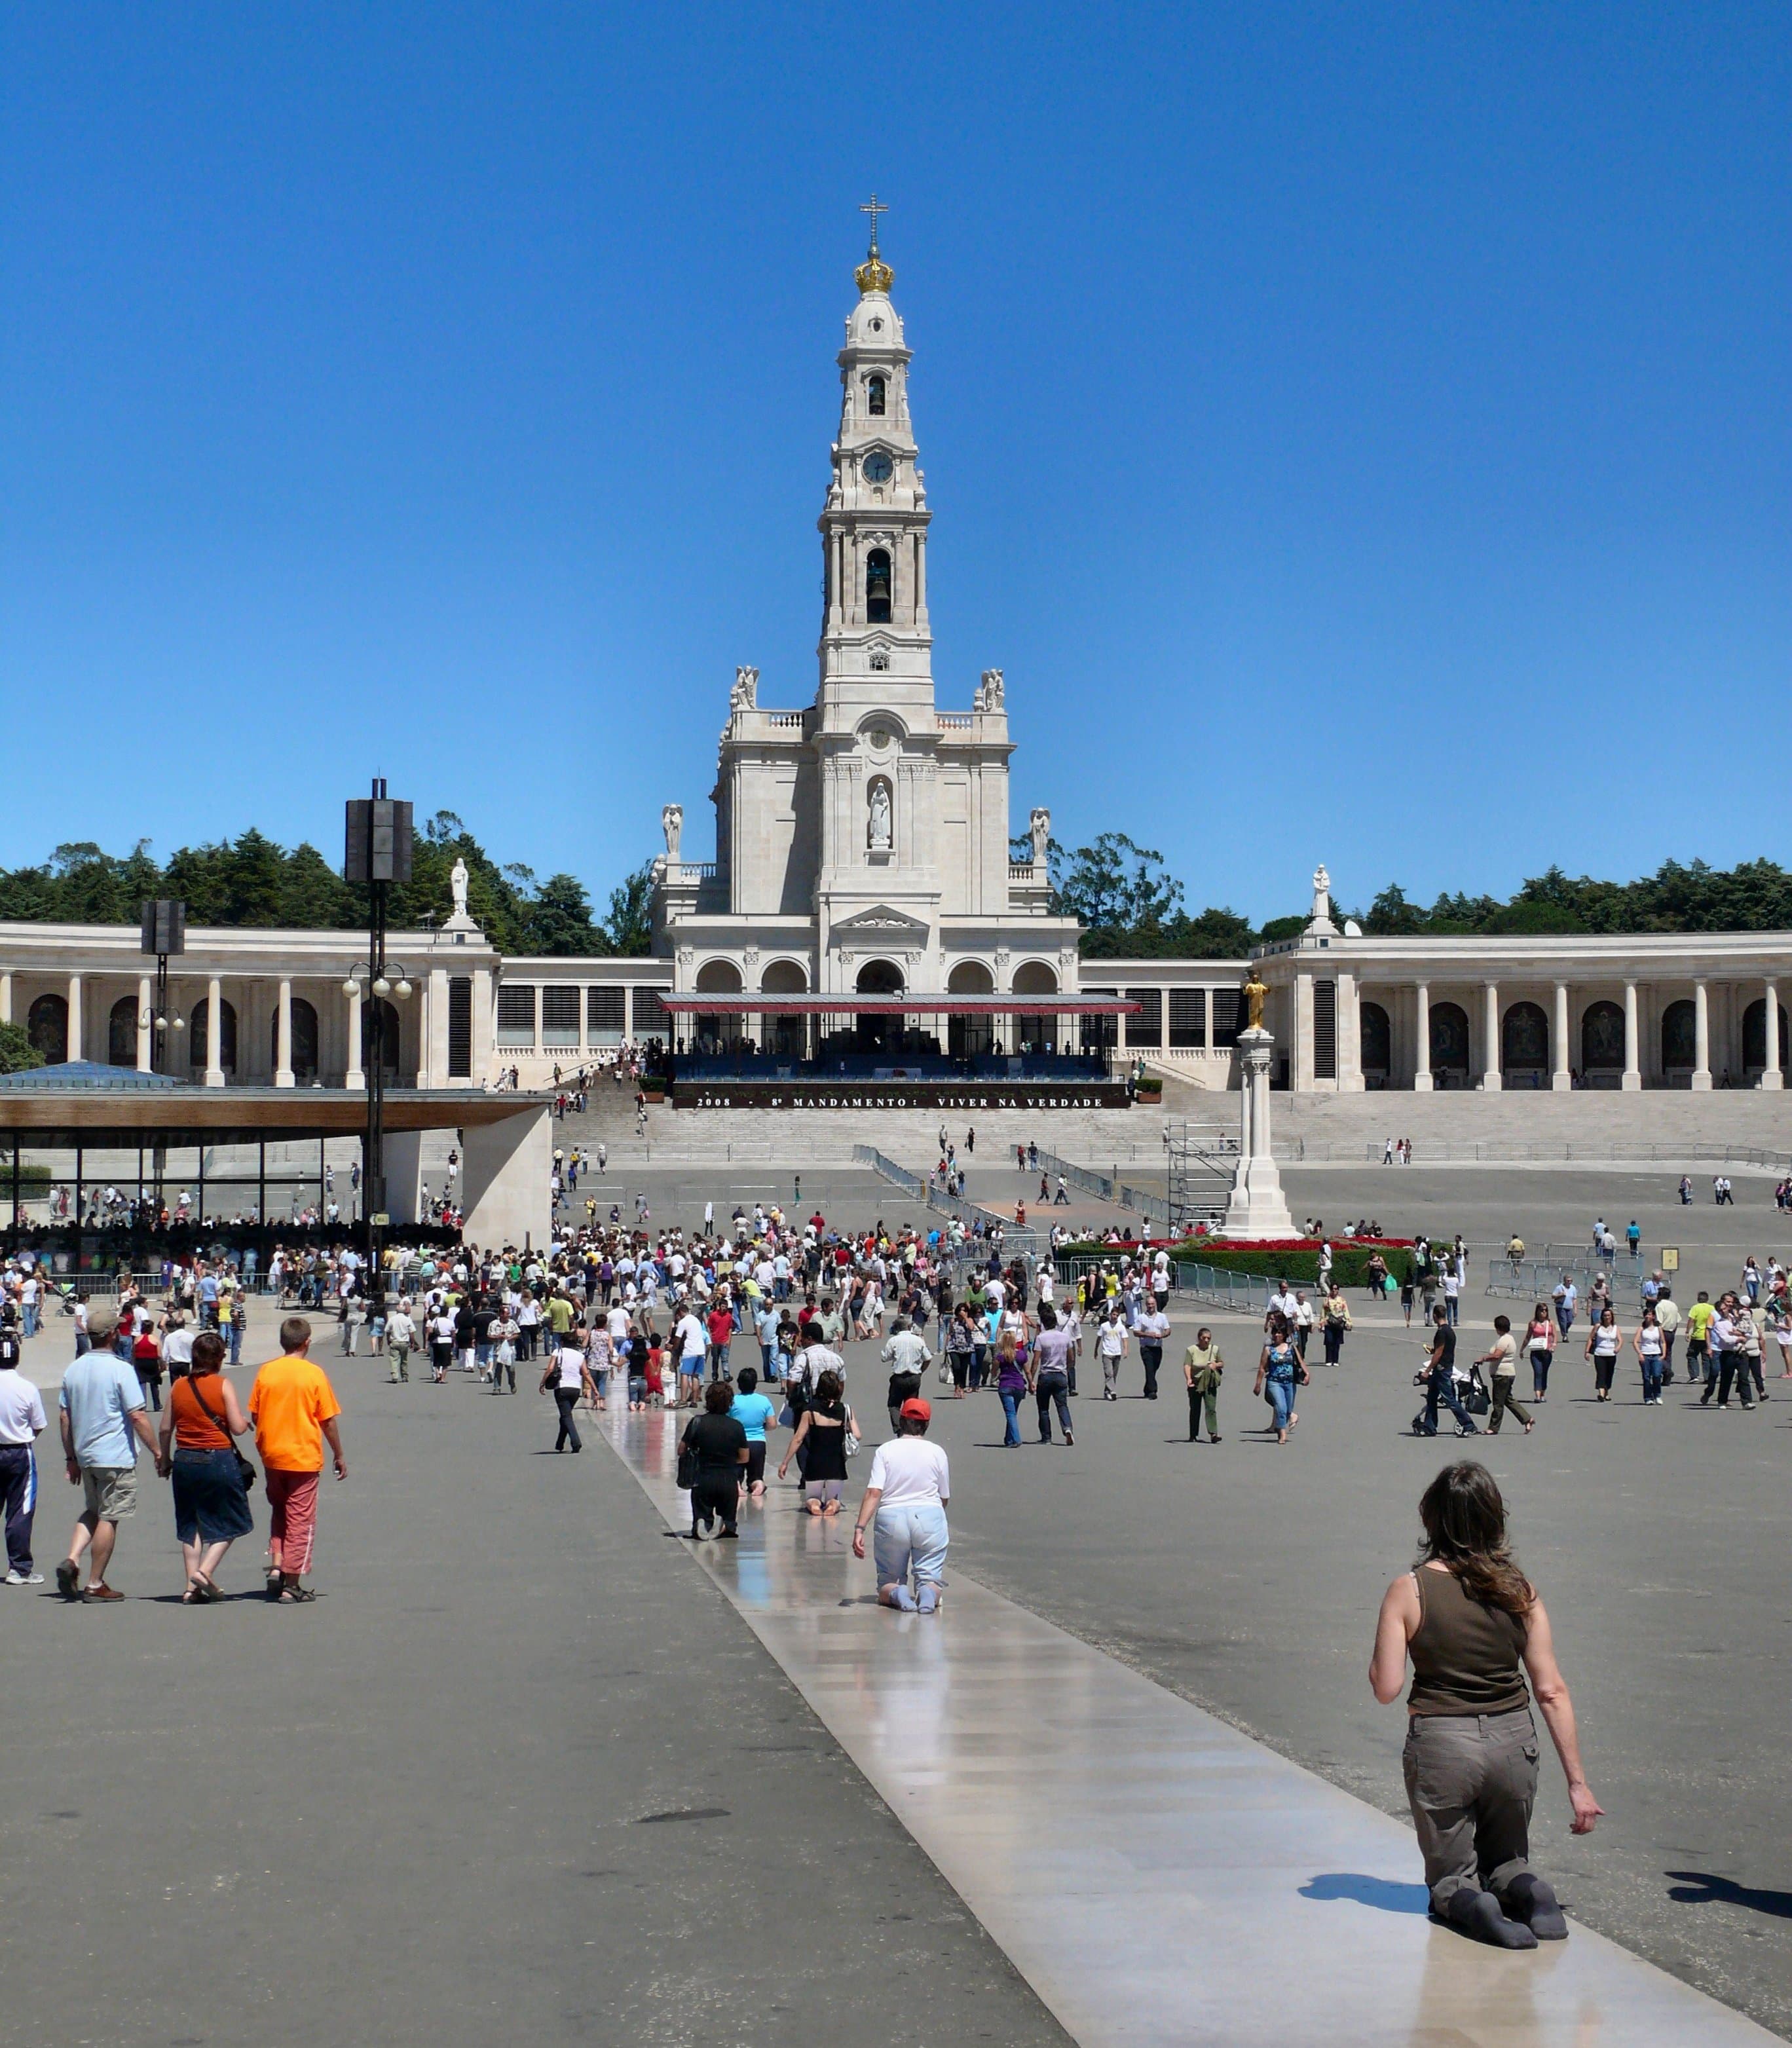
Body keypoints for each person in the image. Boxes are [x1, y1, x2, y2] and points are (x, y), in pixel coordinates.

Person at [1370, 1462, 1601, 1948]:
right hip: (1514, 1743)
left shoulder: (1410, 1589)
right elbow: (1551, 1689)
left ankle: (1477, 1907)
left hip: (1444, 1744)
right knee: (1508, 1859)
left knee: (1452, 1878)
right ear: (1495, 1519)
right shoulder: (1521, 1591)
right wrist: (1578, 1784)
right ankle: (1533, 1893)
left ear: (1431, 1518)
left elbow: (1386, 1687)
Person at [56, 1303, 160, 1602]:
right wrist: (156, 1450)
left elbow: (65, 1416)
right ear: (113, 1335)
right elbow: (137, 1416)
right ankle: (94, 1582)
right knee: (110, 1516)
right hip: (114, 1455)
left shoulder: (73, 1369)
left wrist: (71, 1457)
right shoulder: (120, 1369)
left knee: (93, 1510)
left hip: (86, 1453)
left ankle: (73, 1558)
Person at [248, 1316, 347, 1603]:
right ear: (307, 1342)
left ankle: (277, 1565)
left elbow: (255, 1413)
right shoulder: (314, 1374)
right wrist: (339, 1454)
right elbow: (327, 1421)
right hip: (302, 1457)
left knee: (280, 1512)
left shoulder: (266, 1372)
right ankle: (293, 1582)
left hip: (272, 1455)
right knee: (301, 1519)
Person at [155, 1330, 253, 1601]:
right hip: (217, 1457)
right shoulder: (222, 1384)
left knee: (191, 1525)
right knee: (234, 1520)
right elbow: (236, 1427)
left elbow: (165, 1429)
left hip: (185, 1458)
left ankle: (191, 1587)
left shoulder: (178, 1386)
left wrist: (165, 1459)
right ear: (219, 1358)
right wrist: (245, 1422)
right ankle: (205, 1571)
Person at [853, 1396, 950, 1612]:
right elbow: (944, 1497)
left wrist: (860, 1528)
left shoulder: (885, 1450)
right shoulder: (937, 1452)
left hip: (892, 1516)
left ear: (902, 1420)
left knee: (888, 1580)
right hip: (928, 1514)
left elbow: (874, 1492)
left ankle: (897, 1593)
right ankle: (927, 1593)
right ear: (926, 1424)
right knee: (930, 1577)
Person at [0, 1318, 48, 1584]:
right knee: (20, 1511)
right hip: (19, 1451)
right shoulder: (27, 1388)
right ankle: (19, 1568)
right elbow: (38, 1425)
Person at [779, 1368, 856, 1514]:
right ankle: (832, 1506)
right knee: (834, 1498)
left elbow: (798, 1439)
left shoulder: (810, 1410)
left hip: (814, 1463)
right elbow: (857, 1434)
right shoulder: (845, 1409)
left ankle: (814, 1506)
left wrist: (785, 1463)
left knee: (812, 1497)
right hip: (836, 1464)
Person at [682, 1381, 748, 1540]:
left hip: (702, 1478)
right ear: (730, 1403)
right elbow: (745, 1457)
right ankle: (724, 1525)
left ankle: (702, 1523)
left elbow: (681, 1450)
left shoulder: (697, 1422)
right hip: (728, 1479)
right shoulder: (736, 1426)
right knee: (730, 1524)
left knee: (702, 1512)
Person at [1415, 1305, 1477, 1438]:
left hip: (1442, 1370)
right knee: (1432, 1398)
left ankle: (1468, 1425)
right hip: (1444, 1367)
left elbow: (1439, 1354)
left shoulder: (1442, 1332)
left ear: (1435, 1316)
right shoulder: (1450, 1331)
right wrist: (1432, 1350)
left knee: (1449, 1398)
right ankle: (1429, 1427)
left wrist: (1427, 1370)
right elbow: (1444, 1350)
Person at [1254, 1314, 1307, 1444]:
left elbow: (1300, 1361)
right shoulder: (1269, 1349)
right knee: (1281, 1407)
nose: (1277, 1335)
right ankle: (1282, 1434)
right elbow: (1262, 1368)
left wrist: (1307, 1374)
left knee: (1288, 1409)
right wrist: (1258, 1385)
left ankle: (1279, 1426)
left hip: (1289, 1382)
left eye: (1279, 1333)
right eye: (1275, 1333)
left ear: (1284, 1335)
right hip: (1274, 1382)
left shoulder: (1290, 1348)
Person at [1476, 1316, 1533, 1436]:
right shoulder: (1509, 1338)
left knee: (1498, 1402)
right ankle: (1527, 1419)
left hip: (1502, 1374)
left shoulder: (1504, 1340)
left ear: (1498, 1328)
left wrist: (1483, 1358)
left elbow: (1497, 1355)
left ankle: (1494, 1427)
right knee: (1508, 1399)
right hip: (1507, 1373)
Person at [540, 1328, 595, 1450]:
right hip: (575, 1389)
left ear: (562, 1343)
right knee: (566, 1415)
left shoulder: (557, 1352)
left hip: (562, 1387)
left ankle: (576, 1442)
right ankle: (560, 1443)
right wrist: (595, 1389)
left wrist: (542, 1383)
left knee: (566, 1416)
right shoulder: (580, 1356)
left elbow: (550, 1369)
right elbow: (586, 1373)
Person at [729, 1366, 778, 1501]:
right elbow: (772, 1424)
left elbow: (727, 1421)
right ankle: (758, 1484)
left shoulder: (733, 1401)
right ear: (755, 1384)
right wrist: (761, 1428)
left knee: (736, 1474)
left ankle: (737, 1486)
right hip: (758, 1442)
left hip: (738, 1443)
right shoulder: (764, 1401)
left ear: (739, 1383)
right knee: (756, 1476)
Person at [1029, 1303, 1074, 1446]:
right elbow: (1071, 1358)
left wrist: (1031, 1379)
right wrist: (1068, 1368)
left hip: (1046, 1374)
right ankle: (1067, 1428)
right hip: (1060, 1374)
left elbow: (1036, 1360)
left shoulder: (1042, 1338)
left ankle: (1046, 1437)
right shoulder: (1064, 1337)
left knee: (1043, 1408)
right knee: (1062, 1405)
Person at [880, 1316, 933, 1435]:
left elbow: (885, 1358)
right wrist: (921, 1371)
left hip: (899, 1376)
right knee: (912, 1404)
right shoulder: (918, 1340)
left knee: (894, 1405)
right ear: (909, 1327)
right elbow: (928, 1358)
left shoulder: (894, 1340)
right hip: (915, 1376)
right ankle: (912, 1429)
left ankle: (899, 1429)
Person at [1183, 1328, 1222, 1443]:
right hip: (1196, 1382)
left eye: (1208, 1338)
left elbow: (1221, 1363)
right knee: (1195, 1409)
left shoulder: (1214, 1349)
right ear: (1199, 1338)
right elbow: (1187, 1365)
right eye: (1203, 1338)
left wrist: (1216, 1365)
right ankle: (1193, 1434)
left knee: (1211, 1408)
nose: (1206, 1340)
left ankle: (1213, 1434)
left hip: (1210, 1383)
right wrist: (1189, 1379)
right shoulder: (1192, 1350)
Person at [1584, 1307, 1622, 1402]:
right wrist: (1587, 1352)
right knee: (1601, 1374)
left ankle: (1606, 1392)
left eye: (1609, 1315)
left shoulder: (1615, 1328)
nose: (1607, 1317)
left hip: (1611, 1354)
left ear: (1612, 1317)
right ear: (1602, 1317)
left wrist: (1618, 1348)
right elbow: (1590, 1338)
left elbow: (1620, 1340)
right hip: (1599, 1354)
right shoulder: (1598, 1327)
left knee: (1609, 1374)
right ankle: (1601, 1394)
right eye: (1605, 1316)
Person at [1135, 1296, 1170, 1400]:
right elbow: (1136, 1332)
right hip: (1146, 1348)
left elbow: (1168, 1330)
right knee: (1149, 1369)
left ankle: (1147, 1389)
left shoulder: (1162, 1317)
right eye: (1149, 1304)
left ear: (1155, 1304)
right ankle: (1152, 1391)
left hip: (1158, 1347)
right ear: (1146, 1305)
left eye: (1152, 1304)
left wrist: (1163, 1335)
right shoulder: (1141, 1317)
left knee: (1154, 1369)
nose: (1151, 1306)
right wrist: (1147, 1334)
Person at [1631, 1305, 1666, 1406]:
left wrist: (1663, 1354)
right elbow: (1635, 1342)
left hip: (1656, 1355)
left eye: (1649, 1315)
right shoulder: (1642, 1329)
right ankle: (1648, 1397)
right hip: (1645, 1354)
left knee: (1657, 1375)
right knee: (1646, 1377)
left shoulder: (1658, 1328)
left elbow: (1663, 1342)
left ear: (1653, 1317)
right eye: (1646, 1315)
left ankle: (1657, 1395)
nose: (1647, 1317)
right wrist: (1640, 1354)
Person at [1095, 1303, 1129, 1401]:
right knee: (1109, 1373)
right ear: (1111, 1315)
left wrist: (1125, 1350)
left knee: (1113, 1375)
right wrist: (1096, 1351)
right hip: (1107, 1353)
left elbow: (1125, 1339)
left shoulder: (1121, 1327)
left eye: (1117, 1315)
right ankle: (1113, 1391)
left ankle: (1107, 1392)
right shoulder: (1104, 1326)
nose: (1115, 1317)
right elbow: (1099, 1338)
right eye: (1113, 1315)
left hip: (1117, 1353)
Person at [1523, 1302, 1556, 1402]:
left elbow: (1555, 1335)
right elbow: (1528, 1337)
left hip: (1547, 1351)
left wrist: (1554, 1345)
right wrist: (1522, 1349)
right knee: (1538, 1372)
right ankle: (1537, 1395)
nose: (1543, 1312)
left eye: (1545, 1310)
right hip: (1536, 1351)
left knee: (1544, 1373)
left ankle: (1542, 1394)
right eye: (1541, 1310)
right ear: (1537, 1312)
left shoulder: (1550, 1323)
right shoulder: (1533, 1323)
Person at [1320, 1284, 1353, 1366]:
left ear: (1338, 1290)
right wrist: (1321, 1323)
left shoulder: (1342, 1300)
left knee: (1337, 1342)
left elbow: (1346, 1311)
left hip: (1339, 1322)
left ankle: (1335, 1360)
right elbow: (1323, 1312)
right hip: (1329, 1322)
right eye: (1333, 1289)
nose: (1334, 1291)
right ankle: (1329, 1359)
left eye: (1336, 1289)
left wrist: (1349, 1322)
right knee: (1329, 1341)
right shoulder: (1327, 1300)